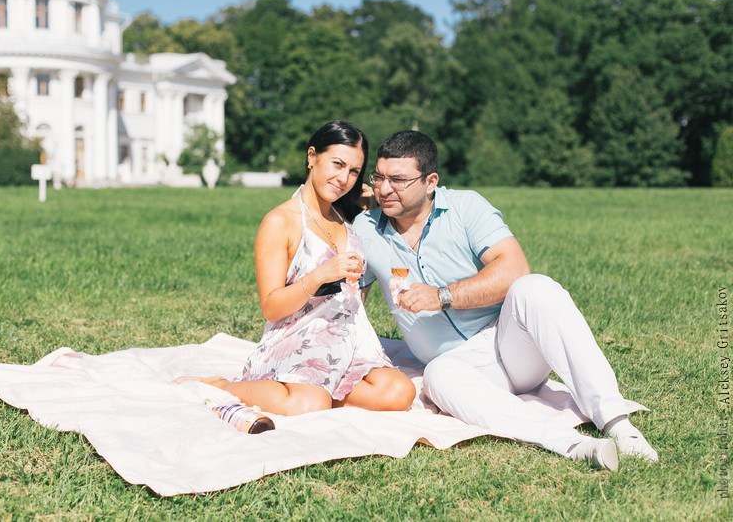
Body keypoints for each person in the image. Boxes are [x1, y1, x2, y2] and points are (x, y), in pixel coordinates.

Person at [352, 130, 658, 471]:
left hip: (511, 343)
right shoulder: (365, 228)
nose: (383, 189)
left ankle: (617, 423)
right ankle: (574, 445)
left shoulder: (466, 207)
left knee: (535, 287)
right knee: (437, 375)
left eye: (397, 180)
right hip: (456, 366)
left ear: (430, 182)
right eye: (378, 177)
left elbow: (514, 267)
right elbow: (351, 300)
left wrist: (442, 296)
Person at [177, 121, 416, 416]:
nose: (344, 179)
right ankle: (222, 386)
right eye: (337, 164)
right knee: (308, 404)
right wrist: (320, 275)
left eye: (354, 171)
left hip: (350, 338)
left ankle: (320, 390)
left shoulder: (346, 216)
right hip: (300, 336)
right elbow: (271, 308)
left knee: (399, 393)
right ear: (312, 156)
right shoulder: (281, 221)